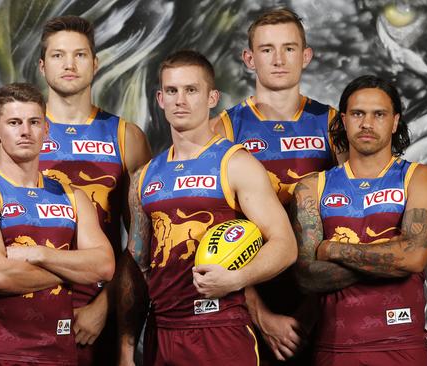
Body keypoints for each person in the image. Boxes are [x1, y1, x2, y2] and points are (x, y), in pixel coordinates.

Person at [0, 16, 151, 365]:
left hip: (97, 307)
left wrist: (103, 307)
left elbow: (140, 241)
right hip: (23, 311)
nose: (70, 64)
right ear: (42, 66)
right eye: (58, 55)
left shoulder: (126, 136)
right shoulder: (10, 136)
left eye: (80, 55)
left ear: (95, 63)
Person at [118, 50, 297, 365]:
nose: (180, 100)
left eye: (191, 90)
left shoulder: (236, 164)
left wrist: (237, 278)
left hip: (220, 328)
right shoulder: (144, 176)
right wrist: (126, 349)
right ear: (160, 98)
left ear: (212, 97)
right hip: (162, 331)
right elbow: (136, 266)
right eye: (172, 91)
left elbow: (285, 245)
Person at [210, 8, 343, 364]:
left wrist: (310, 313)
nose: (279, 59)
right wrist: (261, 315)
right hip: (245, 290)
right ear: (249, 59)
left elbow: (351, 221)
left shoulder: (332, 124)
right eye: (267, 50)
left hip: (319, 292)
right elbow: (211, 229)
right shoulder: (224, 127)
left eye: (289, 48)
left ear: (306, 56)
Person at [0, 83, 116, 365]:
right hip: (2, 354)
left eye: (34, 122)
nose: (25, 131)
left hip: (62, 353)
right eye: (14, 122)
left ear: (46, 130)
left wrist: (41, 255)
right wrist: (72, 270)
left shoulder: (73, 196)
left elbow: (104, 265)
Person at [292, 75, 427, 365]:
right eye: (358, 113)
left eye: (379, 114)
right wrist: (389, 257)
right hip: (334, 350)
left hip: (402, 348)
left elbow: (412, 258)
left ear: (395, 121)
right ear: (344, 120)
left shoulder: (420, 178)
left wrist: (333, 250)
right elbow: (306, 276)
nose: (367, 123)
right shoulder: (312, 187)